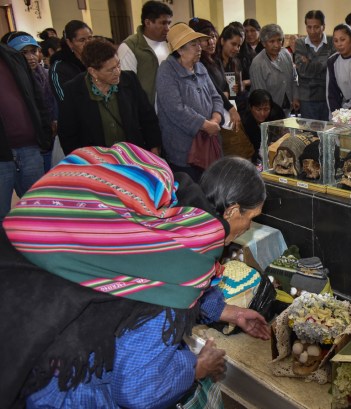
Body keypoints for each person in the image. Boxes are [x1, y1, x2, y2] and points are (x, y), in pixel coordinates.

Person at [0, 143, 270, 408]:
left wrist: (227, 312)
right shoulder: (179, 260)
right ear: (233, 210)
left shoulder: (160, 218)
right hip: (74, 392)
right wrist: (196, 367)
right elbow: (137, 390)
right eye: (252, 217)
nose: (248, 227)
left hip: (33, 358)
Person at [57, 38, 161, 156]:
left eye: (118, 65)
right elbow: (68, 134)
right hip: (96, 161)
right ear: (93, 71)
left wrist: (154, 147)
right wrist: (80, 162)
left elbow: (147, 116)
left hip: (132, 155)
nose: (117, 72)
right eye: (111, 70)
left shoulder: (129, 80)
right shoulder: (73, 90)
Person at [156, 23, 224, 181]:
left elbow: (216, 97)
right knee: (192, 192)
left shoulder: (200, 67)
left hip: (209, 144)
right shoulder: (167, 71)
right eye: (193, 45)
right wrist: (205, 125)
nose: (199, 48)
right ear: (179, 50)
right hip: (184, 149)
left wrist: (215, 119)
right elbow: (175, 108)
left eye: (199, 43)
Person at [0, 43, 51, 221]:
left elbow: (36, 97)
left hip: (29, 147)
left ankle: (40, 248)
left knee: (39, 210)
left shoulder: (12, 56)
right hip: (1, 155)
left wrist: (44, 133)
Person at [7, 32, 57, 171]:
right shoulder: (9, 82)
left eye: (33, 51)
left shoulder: (46, 75)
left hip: (50, 140)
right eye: (24, 52)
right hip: (25, 146)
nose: (31, 57)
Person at [117, 0, 172, 106]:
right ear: (148, 23)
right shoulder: (130, 47)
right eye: (163, 23)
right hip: (148, 111)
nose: (167, 28)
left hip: (170, 109)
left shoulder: (170, 43)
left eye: (169, 23)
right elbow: (127, 87)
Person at [250, 24, 299, 117]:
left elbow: (294, 78)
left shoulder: (286, 54)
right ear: (264, 43)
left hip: (288, 109)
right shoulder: (257, 63)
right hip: (268, 113)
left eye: (279, 40)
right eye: (272, 41)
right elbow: (260, 95)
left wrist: (295, 97)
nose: (277, 45)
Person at [295, 10, 335, 120]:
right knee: (309, 135)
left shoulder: (332, 42)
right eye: (309, 27)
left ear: (324, 27)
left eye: (316, 27)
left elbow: (332, 69)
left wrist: (309, 63)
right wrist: (324, 63)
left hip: (328, 97)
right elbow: (302, 71)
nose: (312, 31)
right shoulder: (300, 43)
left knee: (328, 134)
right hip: (307, 99)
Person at [49, 20, 92, 103]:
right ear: (70, 43)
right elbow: (63, 98)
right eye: (82, 40)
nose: (88, 43)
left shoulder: (97, 60)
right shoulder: (58, 68)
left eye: (90, 38)